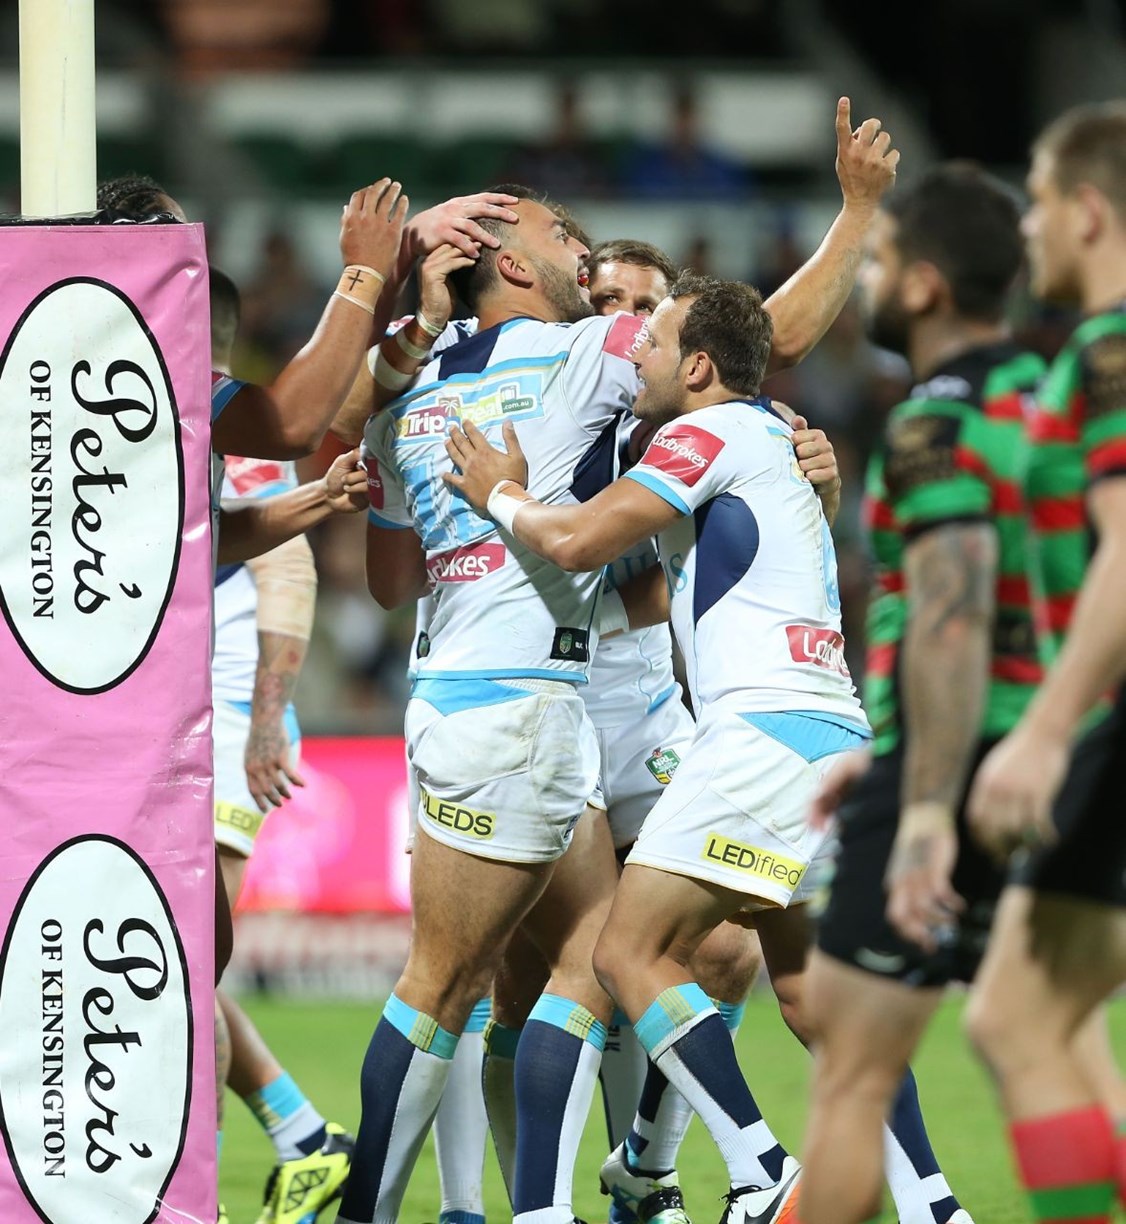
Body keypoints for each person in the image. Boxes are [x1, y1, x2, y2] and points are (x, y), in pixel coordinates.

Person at [335, 99, 899, 1224]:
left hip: (451, 692)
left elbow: (390, 580)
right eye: (560, 235)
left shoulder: (412, 390)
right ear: (510, 260)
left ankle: (584, 1192)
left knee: (580, 962)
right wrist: (856, 215)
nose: (585, 259)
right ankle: (698, 1177)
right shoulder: (578, 352)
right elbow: (760, 346)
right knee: (489, 979)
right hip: (524, 707)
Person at [440, 273, 868, 1224]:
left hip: (679, 725)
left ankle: (686, 1170)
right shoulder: (589, 408)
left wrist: (501, 494)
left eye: (649, 321)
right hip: (571, 712)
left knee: (684, 954)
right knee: (560, 975)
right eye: (613, 308)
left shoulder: (698, 434)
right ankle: (548, 1198)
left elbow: (758, 342)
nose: (630, 336)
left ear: (694, 363)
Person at [795, 162, 1042, 1224]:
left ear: (927, 284)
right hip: (1046, 750)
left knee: (850, 1075)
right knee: (1045, 1041)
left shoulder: (933, 424)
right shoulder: (1044, 399)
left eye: (882, 259)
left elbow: (953, 613)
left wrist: (923, 797)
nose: (869, 279)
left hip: (952, 764)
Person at [961, 103, 1126, 1224]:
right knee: (1048, 1015)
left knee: (1012, 1018)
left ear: (1089, 212)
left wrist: (1047, 726)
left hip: (1110, 716)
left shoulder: (1107, 353)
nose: (1027, 225)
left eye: (1038, 198)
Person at [208, 267, 356, 1224]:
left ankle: (189, 1192)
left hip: (226, 716)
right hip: (170, 720)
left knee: (183, 971)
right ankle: (306, 1139)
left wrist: (267, 717)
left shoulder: (224, 414)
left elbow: (286, 561)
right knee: (171, 953)